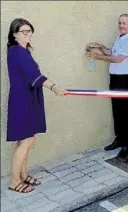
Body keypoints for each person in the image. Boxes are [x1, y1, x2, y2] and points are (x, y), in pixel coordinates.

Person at [6, 18, 66, 193]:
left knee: (25, 139)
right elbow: (34, 75)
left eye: (30, 31)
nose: (28, 34)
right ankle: (14, 180)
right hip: (22, 99)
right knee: (27, 139)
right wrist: (54, 87)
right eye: (24, 31)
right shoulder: (18, 51)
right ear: (15, 34)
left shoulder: (22, 51)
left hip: (27, 98)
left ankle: (23, 175)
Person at [87, 14, 128, 158]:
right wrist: (101, 47)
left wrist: (98, 57)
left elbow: (118, 59)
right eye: (120, 23)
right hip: (115, 79)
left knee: (125, 111)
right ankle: (120, 138)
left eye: (124, 23)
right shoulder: (120, 38)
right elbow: (112, 52)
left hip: (125, 80)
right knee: (117, 110)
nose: (121, 26)